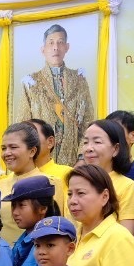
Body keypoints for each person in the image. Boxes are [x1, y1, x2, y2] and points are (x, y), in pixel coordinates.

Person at [21, 24, 94, 166]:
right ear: (43, 49)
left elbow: (88, 121)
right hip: (40, 160)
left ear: (67, 47)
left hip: (73, 159)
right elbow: (24, 125)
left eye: (60, 42)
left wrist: (82, 157)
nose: (56, 47)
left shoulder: (79, 80)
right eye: (51, 42)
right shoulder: (32, 82)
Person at [0, 122, 68, 243]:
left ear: (32, 151)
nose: (7, 153)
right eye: (4, 148)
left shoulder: (49, 182)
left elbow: (58, 225)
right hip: (1, 257)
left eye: (13, 147)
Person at [80, 119, 134, 236]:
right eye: (85, 142)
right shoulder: (76, 183)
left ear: (115, 149)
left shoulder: (128, 187)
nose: (89, 148)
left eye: (97, 142)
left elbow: (126, 237)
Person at [2, 176, 60, 266]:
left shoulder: (50, 245)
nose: (15, 212)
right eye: (13, 206)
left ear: (42, 208)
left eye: (21, 206)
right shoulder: (21, 243)